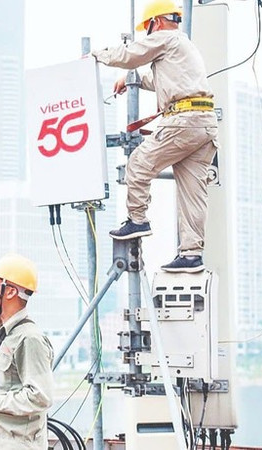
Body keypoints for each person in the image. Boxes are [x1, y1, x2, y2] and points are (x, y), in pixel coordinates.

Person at [92, 0, 219, 273]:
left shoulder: (167, 37)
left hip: (183, 121)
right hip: (204, 125)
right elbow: (161, 79)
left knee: (138, 164)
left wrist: (98, 55)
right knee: (192, 194)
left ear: (156, 22)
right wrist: (131, 81)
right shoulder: (184, 47)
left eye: (148, 31)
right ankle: (191, 253)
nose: (148, 37)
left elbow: (130, 56)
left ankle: (137, 219)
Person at [0, 253, 54, 450]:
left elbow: (40, 397)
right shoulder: (3, 333)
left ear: (11, 291)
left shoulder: (29, 338)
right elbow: (5, 389)